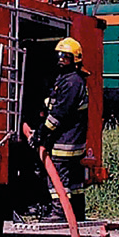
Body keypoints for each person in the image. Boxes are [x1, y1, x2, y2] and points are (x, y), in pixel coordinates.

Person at [23, 37, 89, 223]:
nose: (61, 60)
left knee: (58, 178)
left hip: (65, 141)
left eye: (66, 57)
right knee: (75, 182)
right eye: (59, 56)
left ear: (75, 59)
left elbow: (59, 114)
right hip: (72, 139)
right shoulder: (69, 79)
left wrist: (41, 135)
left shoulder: (72, 82)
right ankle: (76, 211)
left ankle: (60, 212)